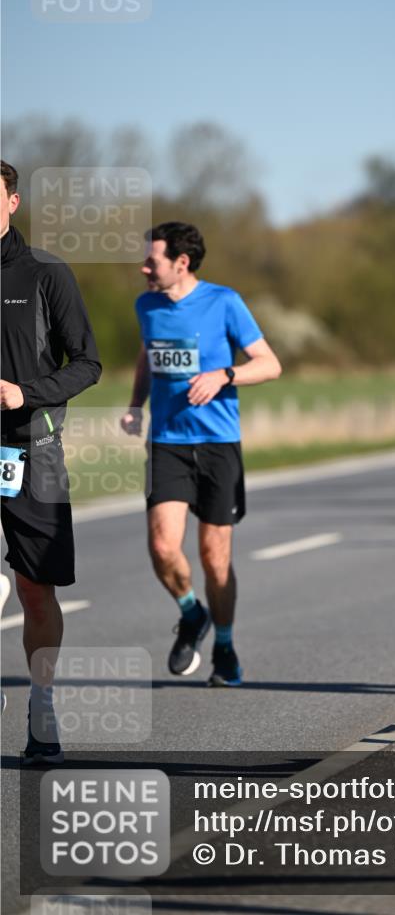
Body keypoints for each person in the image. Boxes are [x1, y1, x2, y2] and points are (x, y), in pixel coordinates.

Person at [121, 222, 281, 687]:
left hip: (217, 445)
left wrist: (224, 376)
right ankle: (192, 614)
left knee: (214, 556)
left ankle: (225, 648)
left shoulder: (224, 302)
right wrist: (136, 406)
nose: (144, 267)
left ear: (181, 263)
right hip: (168, 443)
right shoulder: (146, 304)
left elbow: (270, 364)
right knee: (162, 547)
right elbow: (148, 355)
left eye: (152, 261)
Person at [1, 160, 102, 763]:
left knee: (35, 591)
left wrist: (25, 393)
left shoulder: (45, 274)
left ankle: (42, 701)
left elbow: (87, 363)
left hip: (29, 450)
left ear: (13, 202)